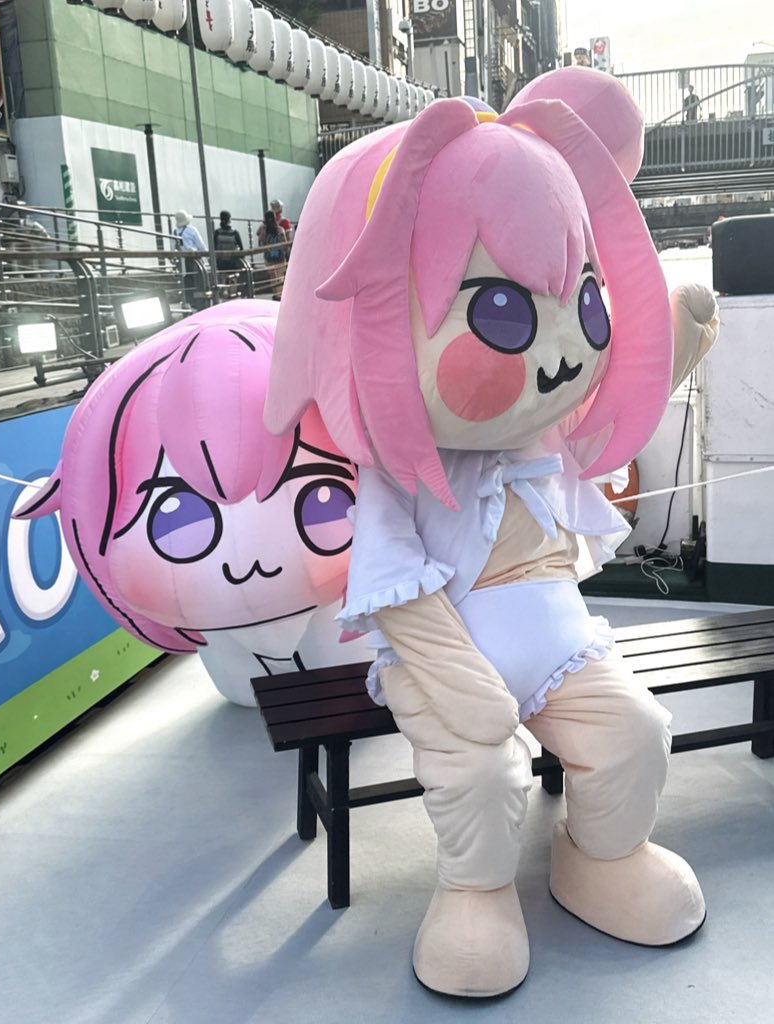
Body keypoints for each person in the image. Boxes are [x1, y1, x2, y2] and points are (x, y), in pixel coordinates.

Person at [265, 69, 718, 998]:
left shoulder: (539, 438)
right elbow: (393, 586)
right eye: (501, 311)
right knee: (480, 769)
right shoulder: (396, 475)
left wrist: (677, 336)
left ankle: (601, 855)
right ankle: (474, 892)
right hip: (447, 664)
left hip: (561, 649)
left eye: (582, 303)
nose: (561, 355)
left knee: (635, 733)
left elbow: (604, 415)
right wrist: (460, 683)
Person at [15, 300, 364, 708]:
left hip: (335, 610)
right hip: (226, 635)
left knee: (339, 661)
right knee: (252, 681)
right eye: (176, 515)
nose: (250, 563)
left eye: (320, 496)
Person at [172, 210, 206, 309]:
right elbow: (201, 245)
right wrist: (207, 256)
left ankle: (187, 302)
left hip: (182, 260)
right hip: (194, 258)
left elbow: (172, 248)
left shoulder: (174, 232)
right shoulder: (192, 230)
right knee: (198, 280)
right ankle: (199, 303)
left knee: (186, 281)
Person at [214, 210, 245, 292]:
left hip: (221, 263)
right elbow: (241, 249)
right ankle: (232, 293)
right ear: (229, 220)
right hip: (232, 262)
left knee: (222, 282)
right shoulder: (234, 233)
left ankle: (223, 294)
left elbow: (214, 248)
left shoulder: (217, 233)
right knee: (233, 282)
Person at [260, 209, 287, 299]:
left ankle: (276, 294)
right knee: (280, 277)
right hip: (280, 257)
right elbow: (285, 243)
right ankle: (280, 295)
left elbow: (261, 243)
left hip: (269, 258)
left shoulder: (264, 230)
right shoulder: (280, 229)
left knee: (273, 277)